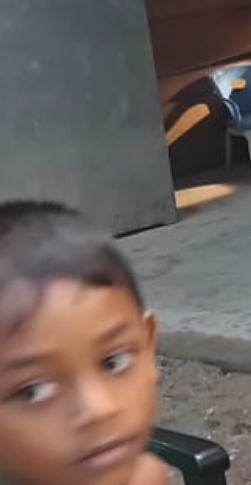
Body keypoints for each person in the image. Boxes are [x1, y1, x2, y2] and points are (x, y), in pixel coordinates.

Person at [0, 200, 165, 485]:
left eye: (113, 362)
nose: (98, 409)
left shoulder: (146, 477)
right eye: (32, 391)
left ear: (148, 344)